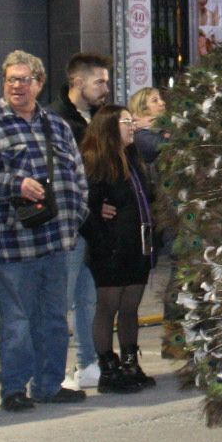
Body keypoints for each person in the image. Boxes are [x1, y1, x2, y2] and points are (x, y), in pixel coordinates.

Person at [0, 51, 91, 412]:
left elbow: (77, 174)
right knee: (17, 322)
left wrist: (77, 211)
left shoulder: (57, 125)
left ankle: (49, 385)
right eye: (10, 80)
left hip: (58, 242)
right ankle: (14, 389)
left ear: (39, 83)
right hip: (15, 246)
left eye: (24, 80)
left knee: (53, 319)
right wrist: (15, 184)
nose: (17, 86)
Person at [78, 106, 157, 394]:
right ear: (110, 127)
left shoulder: (133, 159)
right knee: (108, 307)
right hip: (110, 249)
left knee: (129, 308)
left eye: (132, 121)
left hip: (138, 246)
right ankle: (107, 369)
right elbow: (85, 207)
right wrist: (98, 217)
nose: (132, 126)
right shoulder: (96, 161)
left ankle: (129, 363)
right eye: (126, 122)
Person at [56, 52, 111, 388]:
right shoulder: (58, 121)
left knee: (87, 298)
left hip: (94, 228)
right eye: (99, 81)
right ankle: (53, 369)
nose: (105, 88)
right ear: (77, 82)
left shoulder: (98, 118)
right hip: (69, 226)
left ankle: (88, 363)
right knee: (60, 301)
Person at [126, 86, 167, 169]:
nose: (162, 103)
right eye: (155, 101)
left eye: (160, 99)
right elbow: (171, 143)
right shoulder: (141, 136)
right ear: (143, 109)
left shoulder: (154, 130)